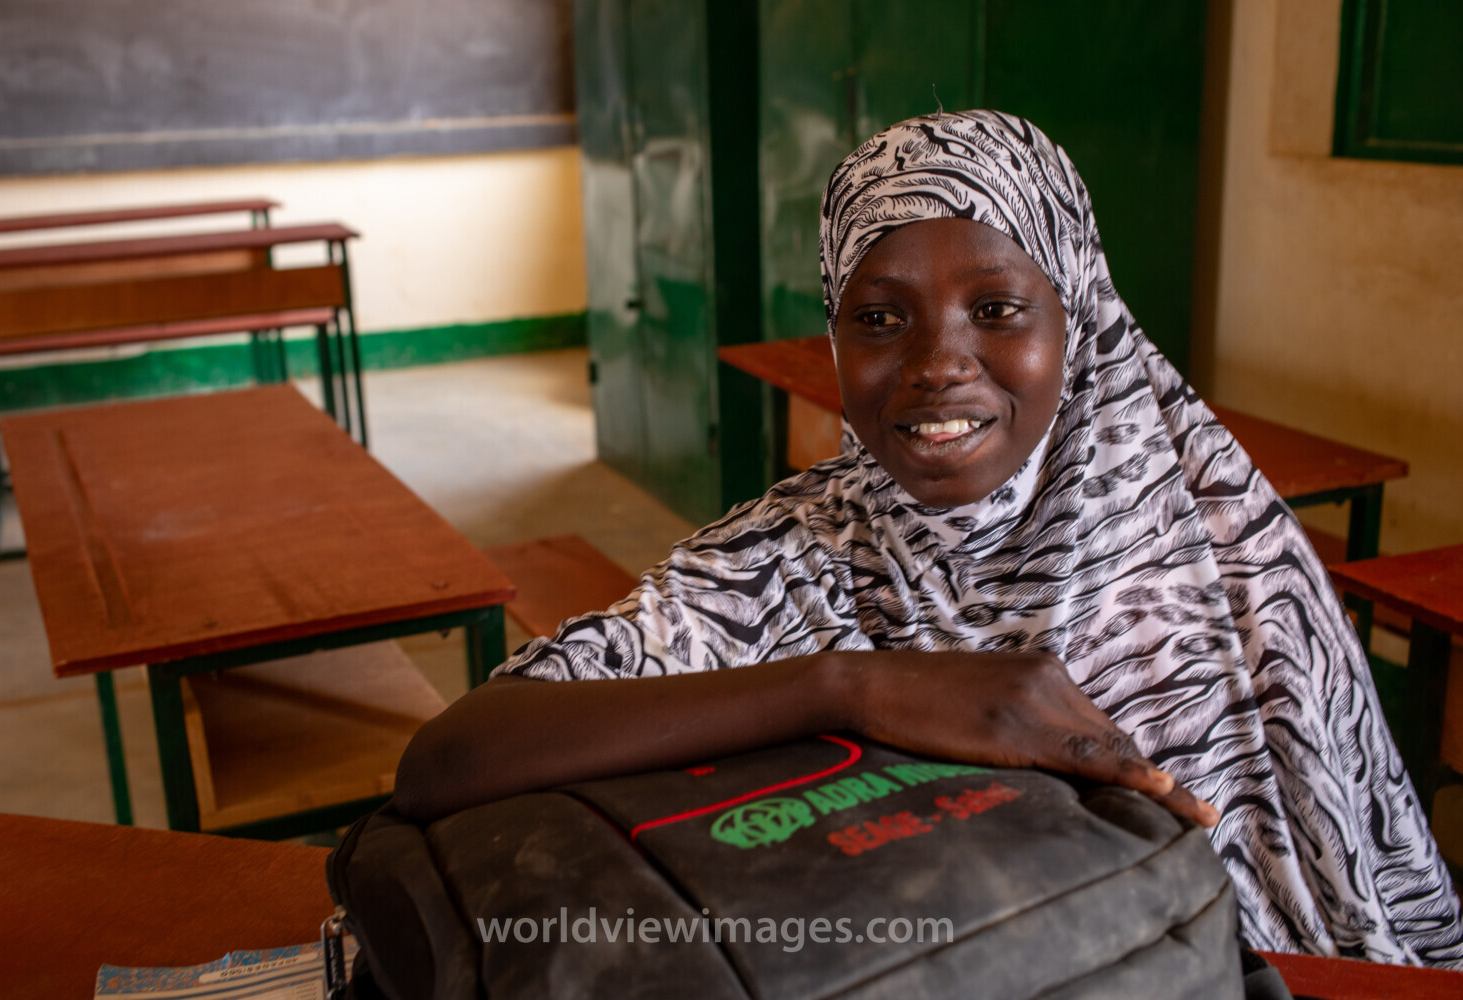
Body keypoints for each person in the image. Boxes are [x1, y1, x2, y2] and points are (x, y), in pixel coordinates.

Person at [396, 110, 1463, 967]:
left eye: (997, 308)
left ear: (1079, 316)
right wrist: (853, 686)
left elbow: (1352, 903)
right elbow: (452, 755)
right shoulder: (782, 562)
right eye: (879, 317)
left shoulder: (1225, 557)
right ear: (834, 329)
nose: (936, 363)